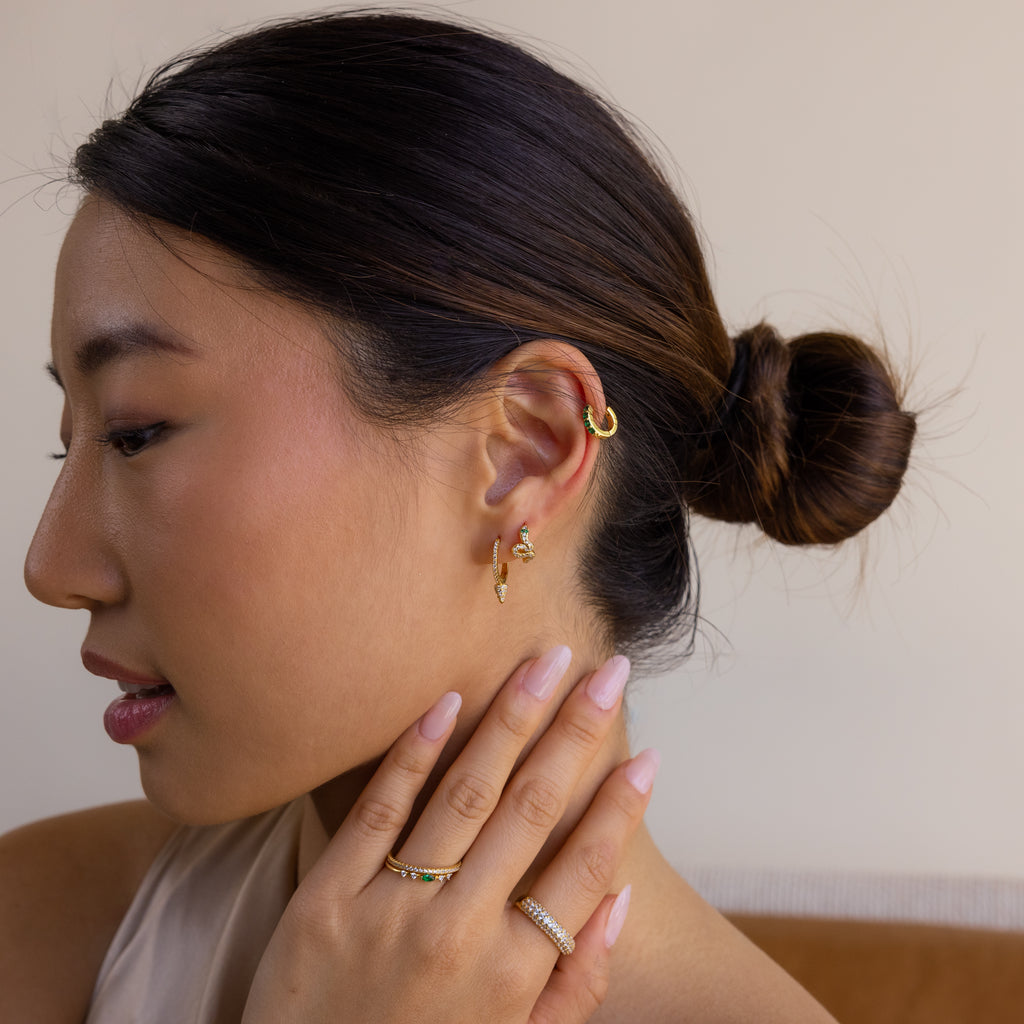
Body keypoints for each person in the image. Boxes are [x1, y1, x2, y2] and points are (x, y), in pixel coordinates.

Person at [0, 10, 916, 1022]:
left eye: (135, 432)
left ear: (526, 448)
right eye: (66, 439)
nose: (51, 564)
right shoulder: (46, 918)